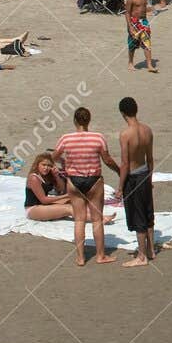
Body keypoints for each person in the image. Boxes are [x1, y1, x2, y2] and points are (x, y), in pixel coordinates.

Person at [54, 107, 120, 266]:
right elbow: (107, 160)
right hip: (94, 180)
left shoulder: (66, 138)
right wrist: (119, 171)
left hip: (74, 180)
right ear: (89, 120)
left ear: (75, 121)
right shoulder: (98, 138)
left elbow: (54, 156)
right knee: (97, 220)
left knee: (79, 220)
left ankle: (80, 257)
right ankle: (100, 255)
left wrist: (65, 162)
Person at [117, 96, 156, 268]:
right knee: (148, 212)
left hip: (134, 177)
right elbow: (150, 158)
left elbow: (125, 163)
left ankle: (141, 256)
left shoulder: (125, 134)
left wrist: (120, 186)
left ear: (123, 113)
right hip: (145, 174)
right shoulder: (147, 130)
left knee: (138, 215)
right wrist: (150, 177)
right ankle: (151, 250)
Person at [125, 0, 157, 73]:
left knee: (147, 43)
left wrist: (151, 9)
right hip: (134, 22)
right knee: (132, 44)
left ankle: (149, 65)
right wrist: (130, 27)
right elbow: (127, 13)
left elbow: (143, 9)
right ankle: (130, 62)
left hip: (144, 22)